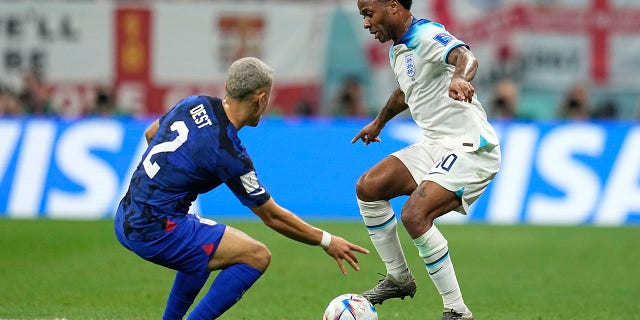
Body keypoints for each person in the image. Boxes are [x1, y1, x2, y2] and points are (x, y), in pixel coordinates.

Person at [114, 57, 368, 320]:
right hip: (154, 230)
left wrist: (171, 183)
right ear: (260, 99)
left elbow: (151, 134)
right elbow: (272, 216)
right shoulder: (229, 153)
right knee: (256, 255)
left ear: (228, 86)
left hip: (126, 214)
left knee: (206, 247)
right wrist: (326, 240)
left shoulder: (193, 103)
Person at [352, 1, 501, 320]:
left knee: (415, 214)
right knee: (368, 187)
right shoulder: (398, 51)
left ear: (392, 6)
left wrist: (460, 77)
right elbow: (406, 92)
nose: (366, 23)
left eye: (368, 13)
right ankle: (399, 278)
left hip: (470, 146)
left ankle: (457, 311)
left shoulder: (427, 34)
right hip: (436, 145)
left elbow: (466, 56)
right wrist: (379, 122)